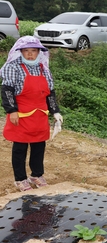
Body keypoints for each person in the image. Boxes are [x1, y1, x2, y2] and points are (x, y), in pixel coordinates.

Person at [1, 36, 62, 191]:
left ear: (38, 52)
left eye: (33, 51)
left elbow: (50, 94)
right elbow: (7, 90)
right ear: (20, 52)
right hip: (21, 115)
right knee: (20, 147)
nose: (29, 54)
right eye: (26, 51)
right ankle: (20, 179)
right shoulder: (13, 67)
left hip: (39, 115)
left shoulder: (43, 68)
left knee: (39, 146)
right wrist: (12, 110)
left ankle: (36, 174)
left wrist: (55, 112)